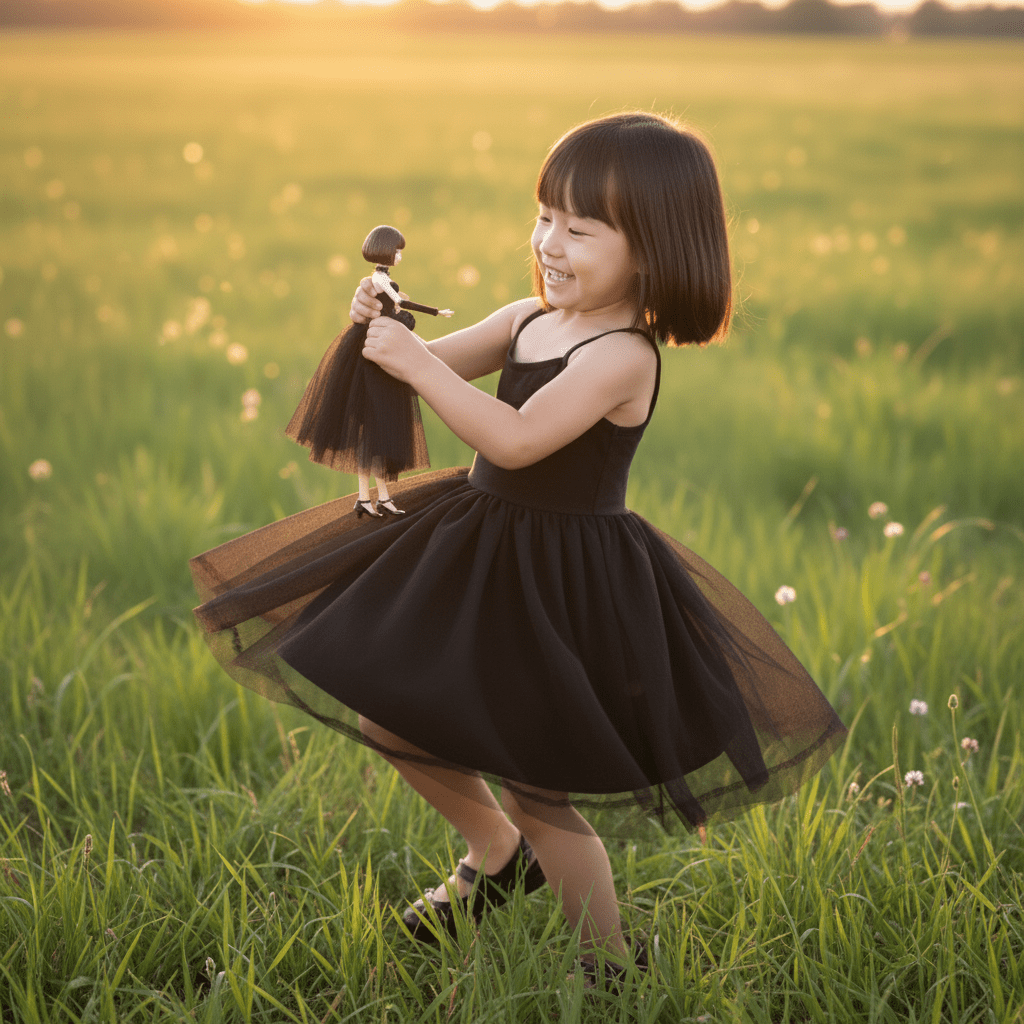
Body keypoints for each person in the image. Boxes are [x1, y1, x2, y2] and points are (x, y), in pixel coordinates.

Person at [190, 111, 846, 988]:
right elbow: (416, 365)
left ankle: (610, 966)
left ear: (652, 250)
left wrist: (417, 368)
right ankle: (493, 853)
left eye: (581, 229)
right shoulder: (525, 320)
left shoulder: (624, 356)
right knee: (391, 713)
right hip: (477, 552)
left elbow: (518, 439)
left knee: (541, 788)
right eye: (545, 217)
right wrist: (381, 327)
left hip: (564, 584)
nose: (551, 242)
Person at [285, 225, 451, 517]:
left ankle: (378, 497)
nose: (399, 256)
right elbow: (399, 302)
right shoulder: (379, 279)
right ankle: (368, 497)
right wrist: (432, 311)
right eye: (397, 251)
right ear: (386, 250)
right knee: (373, 432)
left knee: (377, 435)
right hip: (375, 351)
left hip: (381, 344)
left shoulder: (379, 279)